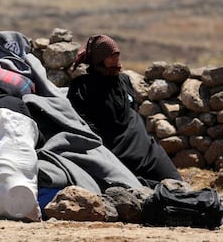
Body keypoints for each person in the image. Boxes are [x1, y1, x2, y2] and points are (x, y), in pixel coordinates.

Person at [67, 34, 182, 184]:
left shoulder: (123, 80)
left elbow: (130, 108)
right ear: (99, 59)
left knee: (175, 182)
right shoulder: (82, 87)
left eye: (117, 54)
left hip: (144, 146)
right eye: (111, 56)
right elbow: (82, 123)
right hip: (113, 149)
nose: (116, 59)